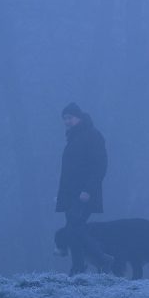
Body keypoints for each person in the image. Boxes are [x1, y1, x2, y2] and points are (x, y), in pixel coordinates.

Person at [56, 102, 113, 275]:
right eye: (64, 118)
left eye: (70, 118)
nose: (67, 121)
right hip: (71, 194)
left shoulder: (92, 136)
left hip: (84, 194)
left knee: (75, 228)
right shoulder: (74, 137)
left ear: (79, 117)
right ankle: (78, 267)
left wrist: (88, 190)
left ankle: (102, 259)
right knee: (74, 230)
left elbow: (99, 165)